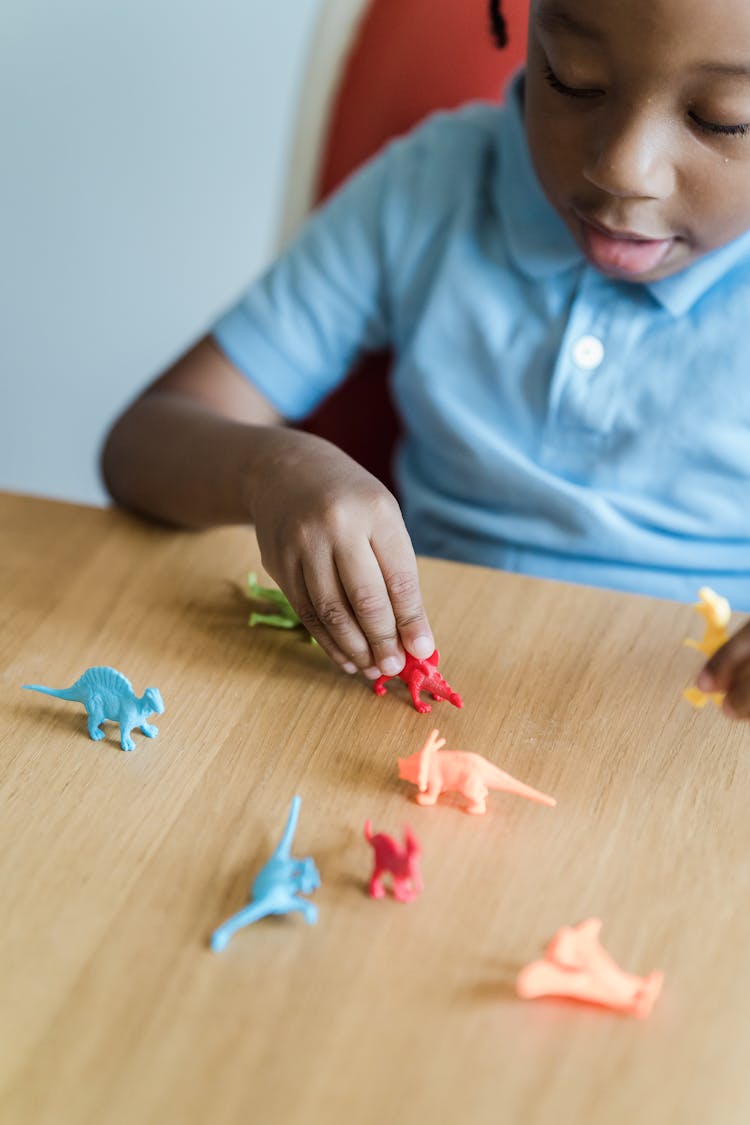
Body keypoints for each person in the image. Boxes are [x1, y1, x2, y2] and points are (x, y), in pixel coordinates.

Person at [102, 0, 750, 718]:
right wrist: (271, 472)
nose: (623, 168)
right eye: (575, 79)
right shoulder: (430, 185)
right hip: (423, 704)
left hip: (697, 730)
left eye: (725, 118)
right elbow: (142, 442)